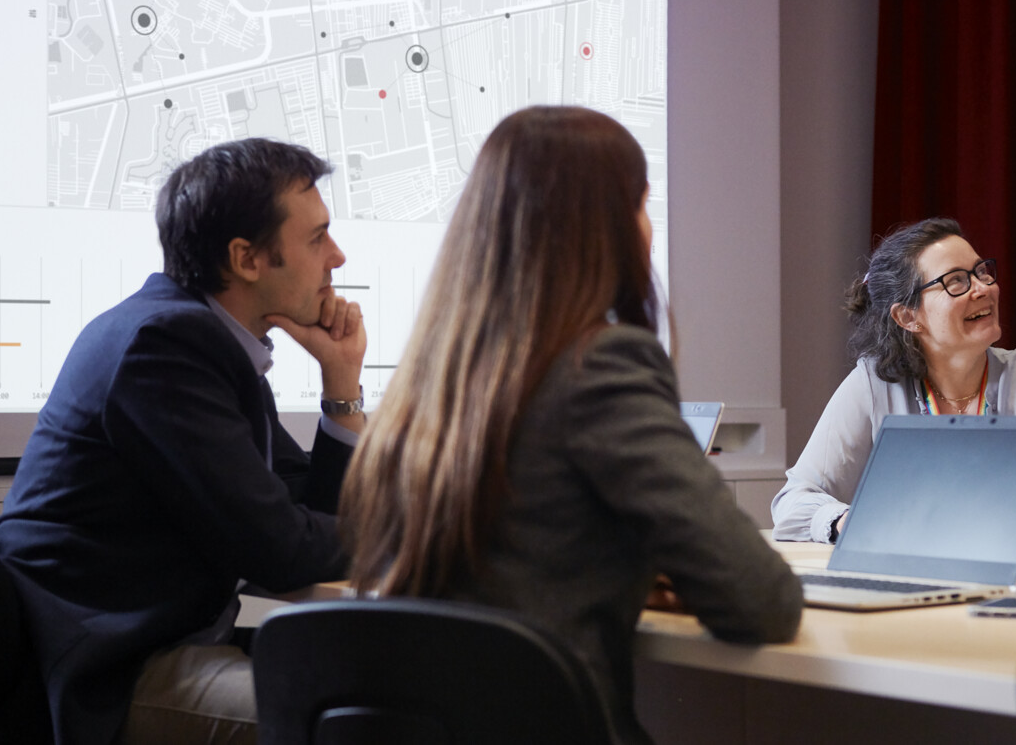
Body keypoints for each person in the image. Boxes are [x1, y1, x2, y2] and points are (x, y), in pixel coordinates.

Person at [342, 105, 802, 745]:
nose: (647, 229)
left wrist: (631, 572)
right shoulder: (602, 365)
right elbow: (764, 601)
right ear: (606, 226)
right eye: (643, 206)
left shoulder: (425, 385)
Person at [0, 138, 367, 745]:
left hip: (152, 636)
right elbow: (282, 549)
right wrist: (416, 529)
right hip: (109, 668)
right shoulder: (164, 348)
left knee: (390, 687)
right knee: (375, 720)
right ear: (247, 258)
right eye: (317, 238)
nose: (338, 257)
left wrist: (341, 380)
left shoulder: (204, 337)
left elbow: (302, 510)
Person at [772, 218, 1016, 547]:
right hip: (922, 579)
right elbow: (791, 505)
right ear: (908, 317)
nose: (983, 288)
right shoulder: (874, 383)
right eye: (956, 281)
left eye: (981, 271)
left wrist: (903, 524)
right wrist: (848, 521)